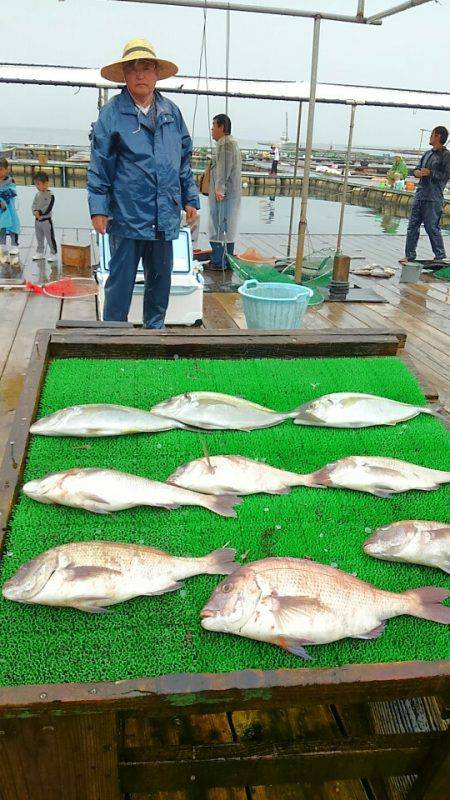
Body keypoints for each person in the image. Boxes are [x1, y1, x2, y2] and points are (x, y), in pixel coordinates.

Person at [88, 37, 199, 328]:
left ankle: (154, 335)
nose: (140, 74)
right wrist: (98, 208)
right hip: (127, 215)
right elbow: (100, 163)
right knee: (120, 284)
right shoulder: (111, 113)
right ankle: (113, 337)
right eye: (133, 68)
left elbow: (183, 160)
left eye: (146, 68)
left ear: (156, 73)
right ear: (124, 74)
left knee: (160, 283)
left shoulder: (172, 113)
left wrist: (190, 197)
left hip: (164, 216)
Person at [400, 126, 450, 265]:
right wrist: (417, 173)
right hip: (420, 194)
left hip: (433, 197)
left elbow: (446, 175)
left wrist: (430, 173)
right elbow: (417, 169)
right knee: (412, 226)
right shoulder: (427, 154)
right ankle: (409, 255)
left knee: (431, 227)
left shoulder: (446, 155)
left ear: (438, 136)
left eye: (432, 134)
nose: (430, 137)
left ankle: (440, 255)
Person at [205, 114, 241, 271]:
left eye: (214, 126)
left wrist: (219, 189)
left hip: (224, 195)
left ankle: (219, 261)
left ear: (221, 127)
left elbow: (224, 169)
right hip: (229, 194)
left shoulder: (226, 144)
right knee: (226, 226)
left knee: (219, 226)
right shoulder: (228, 143)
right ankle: (226, 260)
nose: (212, 129)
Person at [31, 171, 57, 262]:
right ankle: (40, 252)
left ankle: (53, 253)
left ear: (46, 183)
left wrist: (40, 212)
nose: (37, 186)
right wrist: (34, 212)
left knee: (50, 237)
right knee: (39, 237)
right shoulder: (37, 194)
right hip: (37, 221)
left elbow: (48, 207)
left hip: (46, 221)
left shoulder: (50, 195)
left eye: (39, 184)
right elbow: (33, 204)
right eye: (36, 184)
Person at [0, 158, 20, 264]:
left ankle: (14, 245)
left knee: (13, 226)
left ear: (6, 169)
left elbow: (13, 192)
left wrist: (2, 195)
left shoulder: (10, 180)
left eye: (1, 169)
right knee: (1, 227)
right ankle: (2, 245)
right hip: (1, 210)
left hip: (9, 208)